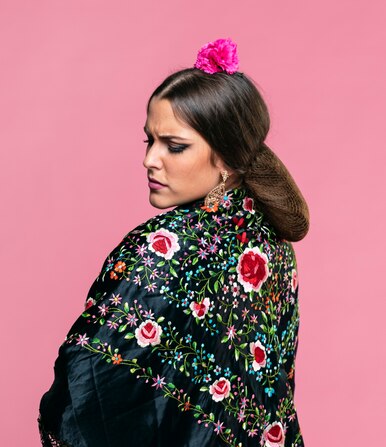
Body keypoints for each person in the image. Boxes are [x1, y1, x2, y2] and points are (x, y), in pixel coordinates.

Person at [38, 38, 309, 447]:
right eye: (150, 140)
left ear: (227, 159)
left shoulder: (165, 245)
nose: (150, 159)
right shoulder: (274, 246)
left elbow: (87, 387)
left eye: (174, 146)